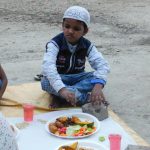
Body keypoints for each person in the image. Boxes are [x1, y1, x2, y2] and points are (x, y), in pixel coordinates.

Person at [41, 6, 110, 107]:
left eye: (76, 29)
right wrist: (62, 89)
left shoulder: (87, 45)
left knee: (97, 77)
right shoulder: (54, 44)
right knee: (45, 82)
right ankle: (84, 98)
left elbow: (102, 65)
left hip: (78, 78)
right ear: (62, 26)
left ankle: (62, 97)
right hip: (60, 78)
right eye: (67, 26)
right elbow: (48, 67)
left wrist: (98, 86)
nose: (70, 31)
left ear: (85, 31)